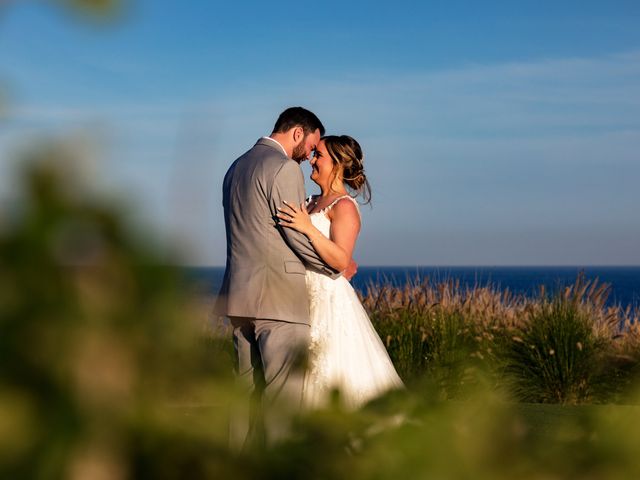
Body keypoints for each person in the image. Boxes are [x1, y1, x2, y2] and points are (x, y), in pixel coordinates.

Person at [215, 107, 355, 449]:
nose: (309, 155)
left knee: (244, 400)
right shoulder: (283, 168)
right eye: (311, 145)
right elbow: (293, 235)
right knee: (281, 404)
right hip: (278, 302)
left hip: (238, 298)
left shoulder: (235, 168)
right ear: (297, 133)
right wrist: (333, 267)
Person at [277, 135, 404, 410]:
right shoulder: (310, 201)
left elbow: (340, 260)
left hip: (328, 301)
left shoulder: (344, 207)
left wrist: (308, 228)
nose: (311, 160)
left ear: (336, 164)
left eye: (318, 155)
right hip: (300, 297)